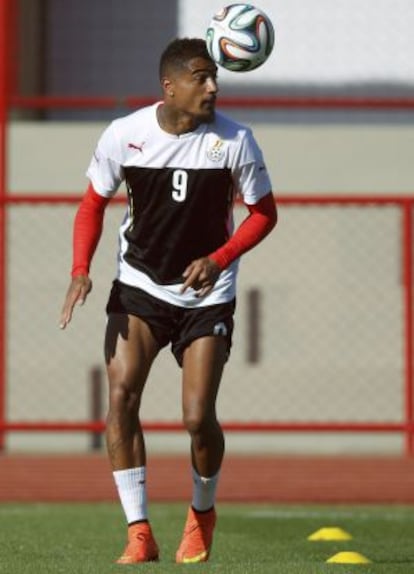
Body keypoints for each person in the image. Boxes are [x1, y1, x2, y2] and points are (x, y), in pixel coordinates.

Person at [60, 37, 277, 564]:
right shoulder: (125, 134)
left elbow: (264, 214)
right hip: (139, 286)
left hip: (206, 294)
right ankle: (139, 531)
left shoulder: (236, 140)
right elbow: (92, 205)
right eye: (201, 78)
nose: (213, 86)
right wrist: (81, 271)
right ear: (170, 86)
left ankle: (201, 515)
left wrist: (219, 258)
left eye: (215, 78)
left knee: (197, 416)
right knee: (121, 398)